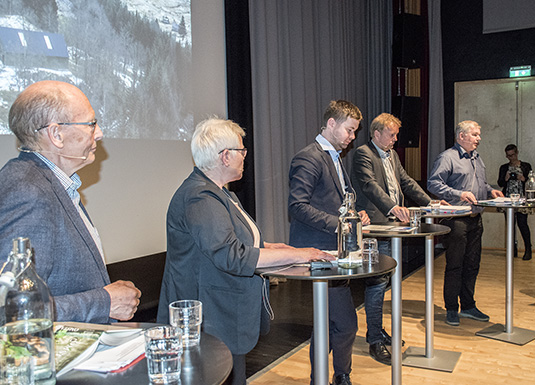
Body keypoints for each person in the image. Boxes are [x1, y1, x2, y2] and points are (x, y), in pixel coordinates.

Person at [157, 118, 331, 385]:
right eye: (242, 151)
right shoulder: (200, 197)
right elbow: (232, 255)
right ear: (225, 156)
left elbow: (241, 242)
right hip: (208, 317)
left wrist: (276, 248)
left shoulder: (222, 193)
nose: (245, 157)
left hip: (221, 312)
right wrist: (299, 255)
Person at [0, 80, 141, 323]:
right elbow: (14, 309)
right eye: (91, 124)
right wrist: (104, 302)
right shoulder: (29, 190)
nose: (99, 133)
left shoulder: (50, 182)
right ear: (56, 134)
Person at [288, 100, 371, 385]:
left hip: (335, 253)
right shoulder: (309, 158)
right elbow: (297, 206)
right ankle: (335, 377)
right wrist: (341, 223)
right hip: (318, 254)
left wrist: (352, 215)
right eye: (349, 130)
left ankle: (332, 377)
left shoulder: (334, 157)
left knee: (332, 325)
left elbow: (337, 202)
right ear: (332, 124)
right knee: (343, 324)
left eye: (355, 131)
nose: (352, 137)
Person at [350, 113, 440, 364]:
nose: (396, 139)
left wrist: (429, 202)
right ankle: (375, 339)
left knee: (386, 282)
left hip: (393, 227)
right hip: (376, 228)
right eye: (392, 134)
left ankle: (377, 330)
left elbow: (406, 182)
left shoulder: (393, 155)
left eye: (396, 134)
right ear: (376, 134)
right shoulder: (363, 154)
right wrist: (392, 207)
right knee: (377, 283)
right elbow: (369, 186)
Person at [428, 120, 503, 326]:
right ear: (462, 136)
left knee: (472, 265)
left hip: (475, 219)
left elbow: (479, 182)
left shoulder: (476, 158)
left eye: (479, 135)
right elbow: (433, 182)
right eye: (475, 135)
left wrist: (490, 190)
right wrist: (458, 194)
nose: (479, 138)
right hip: (456, 220)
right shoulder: (447, 157)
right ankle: (451, 308)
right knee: (455, 265)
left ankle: (468, 306)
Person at [497, 144, 532, 260]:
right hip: (508, 199)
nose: (510, 158)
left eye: (512, 155)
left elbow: (531, 182)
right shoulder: (504, 167)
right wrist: (506, 178)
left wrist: (523, 179)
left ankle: (528, 250)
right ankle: (512, 250)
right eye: (508, 156)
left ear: (517, 153)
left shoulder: (526, 166)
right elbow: (500, 183)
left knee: (523, 224)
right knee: (510, 226)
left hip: (521, 199)